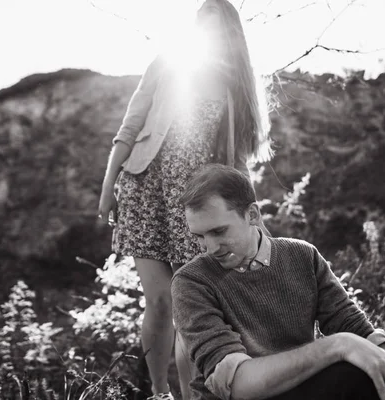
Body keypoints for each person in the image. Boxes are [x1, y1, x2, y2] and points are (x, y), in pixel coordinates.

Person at [97, 1, 273, 399]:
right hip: (144, 191)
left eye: (217, 29)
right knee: (158, 302)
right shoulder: (168, 63)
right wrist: (108, 187)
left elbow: (238, 163)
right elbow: (130, 127)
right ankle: (159, 392)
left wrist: (248, 216)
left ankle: (193, 395)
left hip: (196, 206)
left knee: (188, 306)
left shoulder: (235, 87)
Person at [171, 164, 385, 400]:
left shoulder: (302, 255)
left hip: (301, 391)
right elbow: (237, 385)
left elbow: (358, 330)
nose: (210, 248)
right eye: (200, 236)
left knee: (364, 371)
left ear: (251, 214)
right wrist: (338, 345)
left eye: (218, 231)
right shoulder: (191, 282)